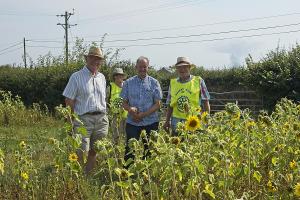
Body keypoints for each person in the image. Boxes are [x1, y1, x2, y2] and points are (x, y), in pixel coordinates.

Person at [62, 46, 109, 174]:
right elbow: (69, 100)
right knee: (82, 150)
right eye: (93, 58)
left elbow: (103, 99)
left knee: (95, 150)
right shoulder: (76, 77)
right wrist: (70, 121)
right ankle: (77, 178)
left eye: (99, 59)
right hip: (83, 119)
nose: (96, 61)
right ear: (87, 59)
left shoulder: (102, 78)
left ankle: (87, 178)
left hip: (101, 119)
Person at [120, 56, 162, 166]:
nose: (142, 69)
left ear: (148, 67)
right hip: (132, 122)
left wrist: (142, 115)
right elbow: (123, 102)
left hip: (151, 122)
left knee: (150, 149)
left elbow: (157, 104)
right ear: (136, 67)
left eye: (145, 67)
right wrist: (130, 109)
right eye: (140, 67)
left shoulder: (154, 83)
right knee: (130, 150)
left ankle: (146, 175)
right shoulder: (128, 83)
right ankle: (127, 175)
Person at [163, 57, 210, 135]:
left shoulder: (198, 81)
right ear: (177, 69)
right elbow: (170, 105)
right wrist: (167, 121)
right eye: (179, 67)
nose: (182, 69)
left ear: (189, 68)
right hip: (176, 121)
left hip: (194, 120)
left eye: (185, 67)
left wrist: (207, 119)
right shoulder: (173, 83)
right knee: (177, 145)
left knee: (194, 145)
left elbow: (206, 101)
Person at [107, 68, 127, 144]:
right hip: (114, 115)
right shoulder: (110, 87)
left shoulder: (127, 85)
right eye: (118, 75)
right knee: (116, 135)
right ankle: (116, 151)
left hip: (126, 115)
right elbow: (106, 100)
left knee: (126, 135)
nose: (120, 77)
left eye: (121, 75)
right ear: (115, 76)